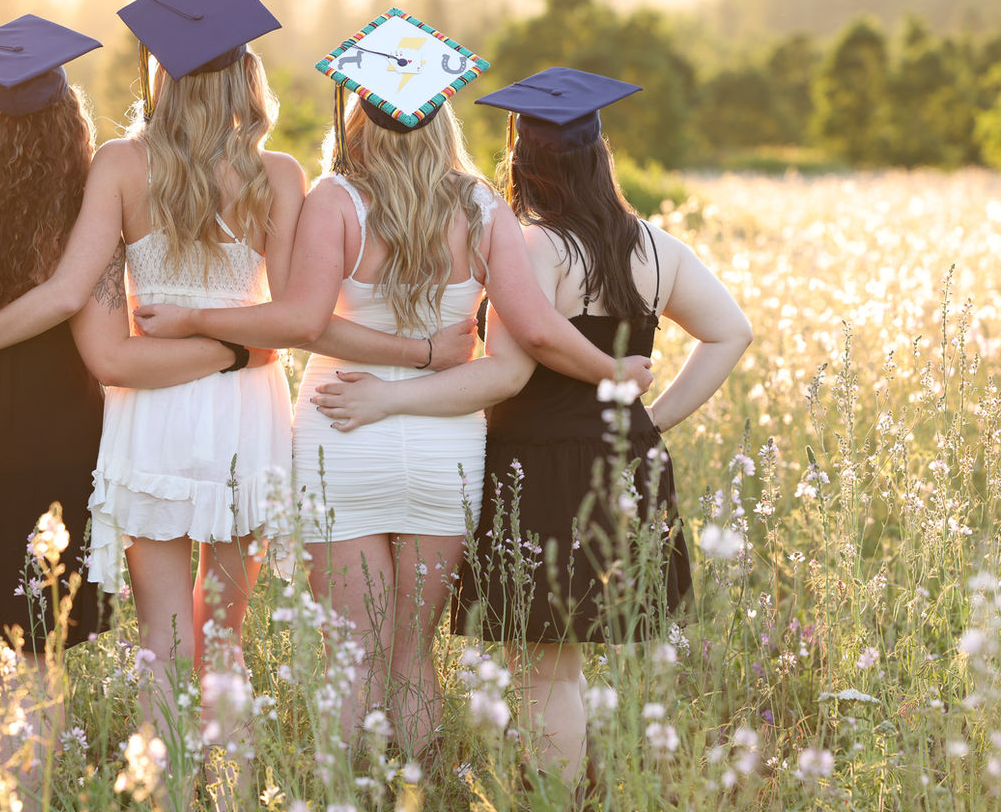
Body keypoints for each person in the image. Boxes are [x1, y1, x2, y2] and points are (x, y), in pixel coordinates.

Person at [0, 0, 471, 795]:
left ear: (160, 77)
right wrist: (238, 342)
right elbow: (293, 322)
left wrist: (183, 323)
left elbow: (99, 338)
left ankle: (162, 788)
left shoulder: (121, 167)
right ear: (249, 76)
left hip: (152, 418)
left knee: (163, 639)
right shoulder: (279, 176)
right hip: (247, 417)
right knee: (227, 635)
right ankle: (232, 791)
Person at [133, 19, 655, 757]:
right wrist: (613, 371)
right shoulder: (481, 207)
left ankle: (354, 795)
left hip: (341, 428)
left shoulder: (334, 201)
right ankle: (411, 788)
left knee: (355, 657)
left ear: (356, 113)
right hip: (446, 444)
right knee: (412, 654)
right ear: (442, 117)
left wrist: (190, 316)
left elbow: (304, 323)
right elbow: (534, 330)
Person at [309, 67, 753, 788]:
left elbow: (525, 354)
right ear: (599, 156)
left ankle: (555, 797)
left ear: (522, 159)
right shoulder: (656, 247)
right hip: (621, 460)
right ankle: (570, 787)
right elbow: (730, 332)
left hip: (540, 466)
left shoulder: (536, 246)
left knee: (545, 665)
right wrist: (647, 423)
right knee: (566, 664)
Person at [0, 15, 269, 811]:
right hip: (54, 442)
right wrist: (233, 349)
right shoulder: (74, 221)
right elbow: (92, 325)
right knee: (32, 660)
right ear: (69, 122)